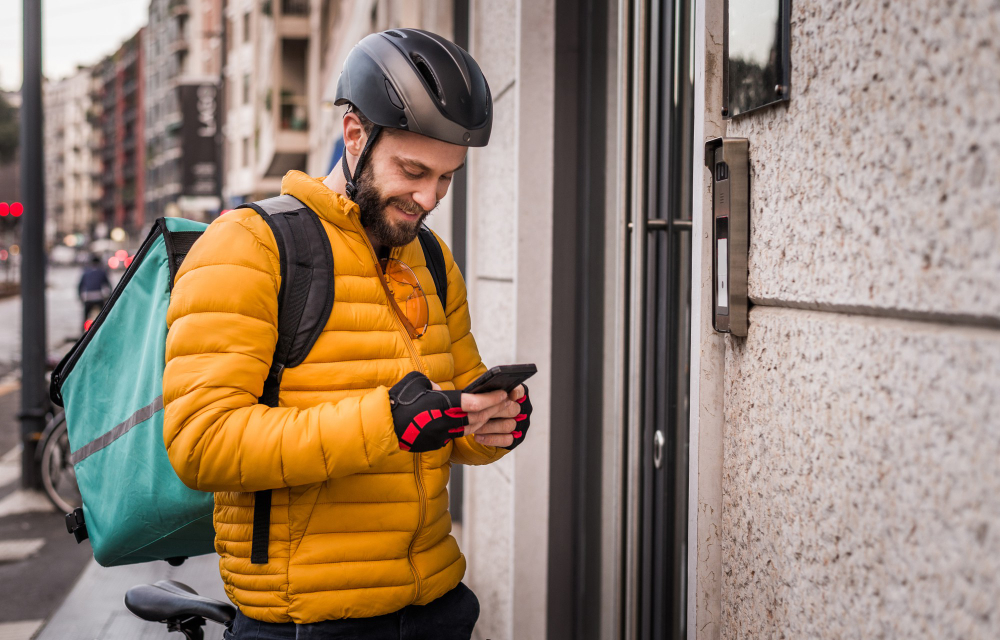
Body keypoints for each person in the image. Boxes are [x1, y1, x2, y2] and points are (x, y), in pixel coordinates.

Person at [162, 29, 534, 640]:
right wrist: (386, 422)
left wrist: (491, 425)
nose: (428, 197)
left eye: (446, 179)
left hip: (437, 605)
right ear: (355, 135)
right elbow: (202, 443)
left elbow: (449, 416)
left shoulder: (431, 260)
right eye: (413, 170)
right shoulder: (248, 247)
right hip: (308, 621)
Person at [78, 254, 110, 328]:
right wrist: (108, 297)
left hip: (88, 297)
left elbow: (80, 286)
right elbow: (108, 285)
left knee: (85, 317)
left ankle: (82, 334)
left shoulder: (86, 272)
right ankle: (104, 329)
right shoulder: (102, 272)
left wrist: (80, 297)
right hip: (99, 297)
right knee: (103, 318)